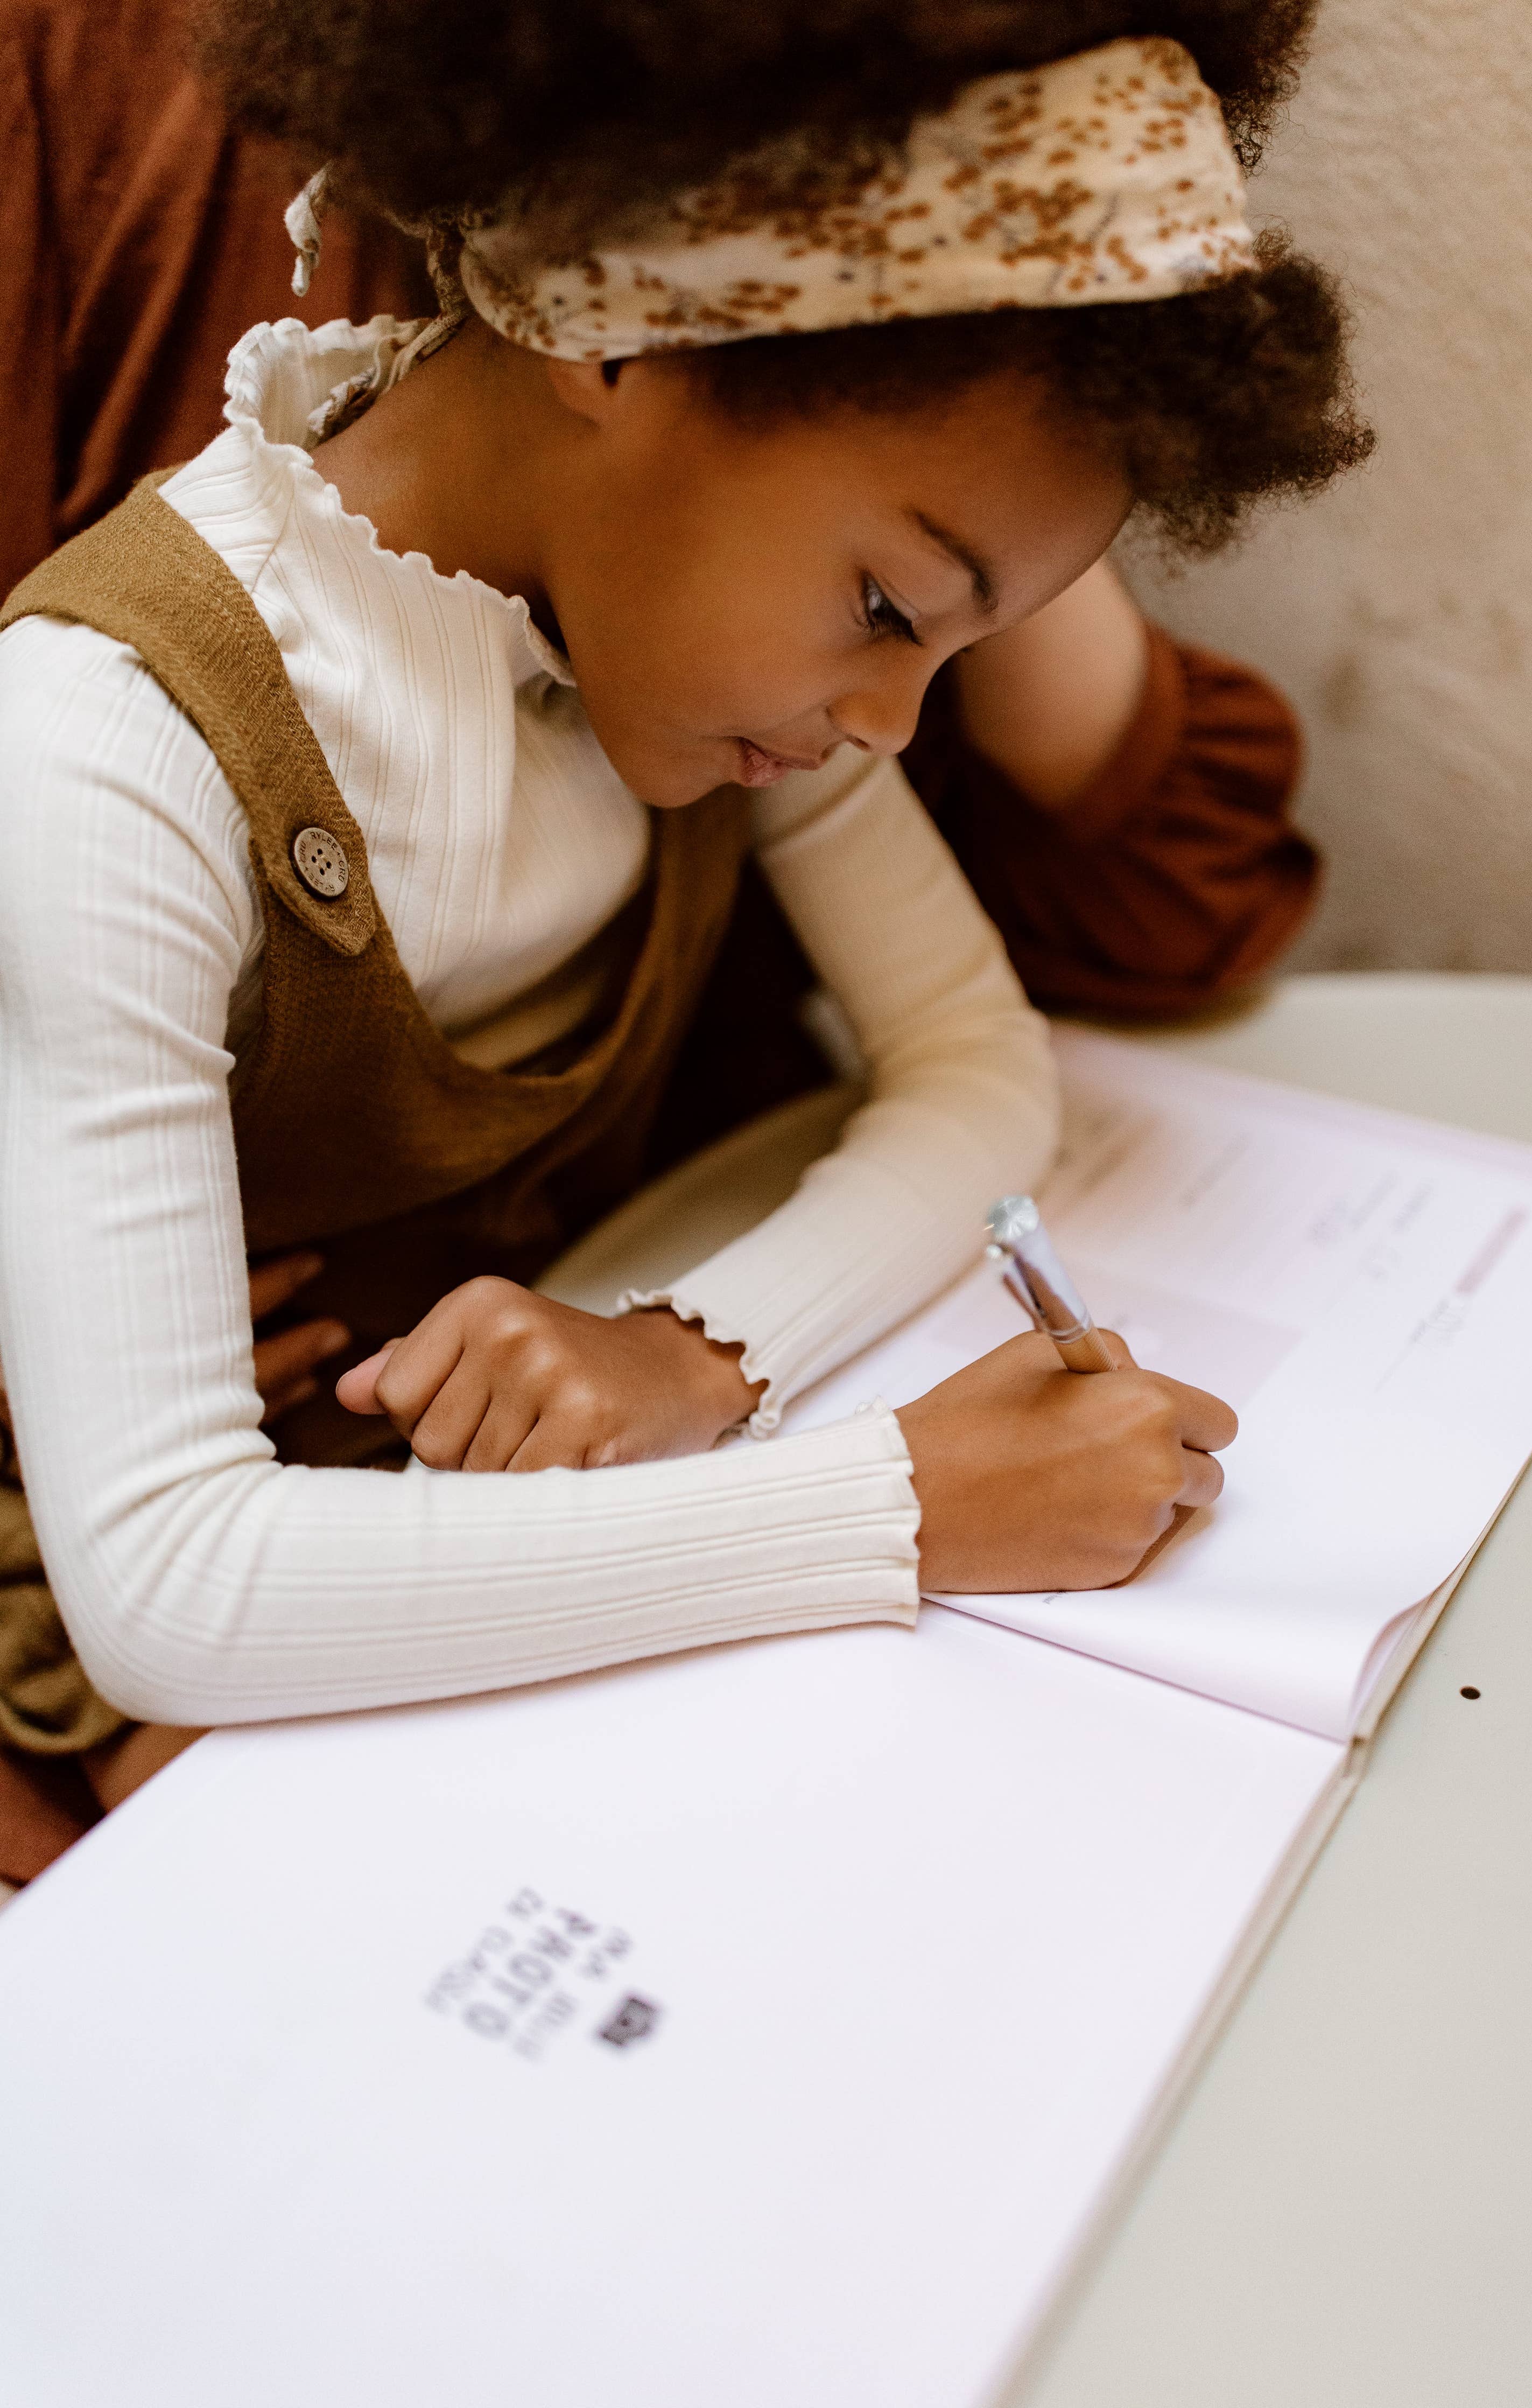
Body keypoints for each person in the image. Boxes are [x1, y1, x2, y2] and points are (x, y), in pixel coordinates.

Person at [0, 2, 1370, 1881]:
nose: (895, 724)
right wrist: (902, 1505)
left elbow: (978, 1068)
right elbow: (172, 1586)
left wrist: (699, 1351)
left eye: (951, 649)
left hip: (475, 1505)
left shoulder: (687, 667)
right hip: (119, 1616)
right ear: (619, 321)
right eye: (891, 603)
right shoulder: (105, 745)